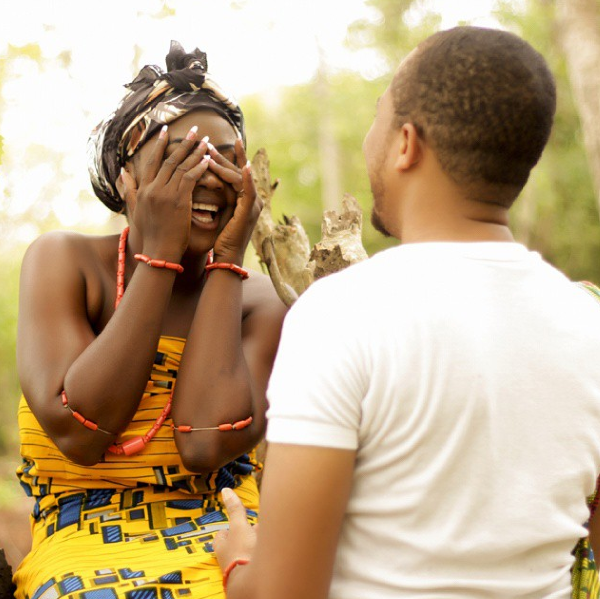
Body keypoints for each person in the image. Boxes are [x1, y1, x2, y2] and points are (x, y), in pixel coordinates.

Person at [213, 26, 600, 599]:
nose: (371, 137)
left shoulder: (339, 316)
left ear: (405, 144)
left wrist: (240, 563)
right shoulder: (587, 325)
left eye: (379, 116)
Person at [14, 41, 287, 599]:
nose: (208, 174)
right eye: (182, 156)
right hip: (82, 542)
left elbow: (204, 446)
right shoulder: (65, 263)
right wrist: (158, 259)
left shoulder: (259, 302)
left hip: (228, 529)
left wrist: (227, 262)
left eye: (226, 158)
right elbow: (82, 431)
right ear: (126, 181)